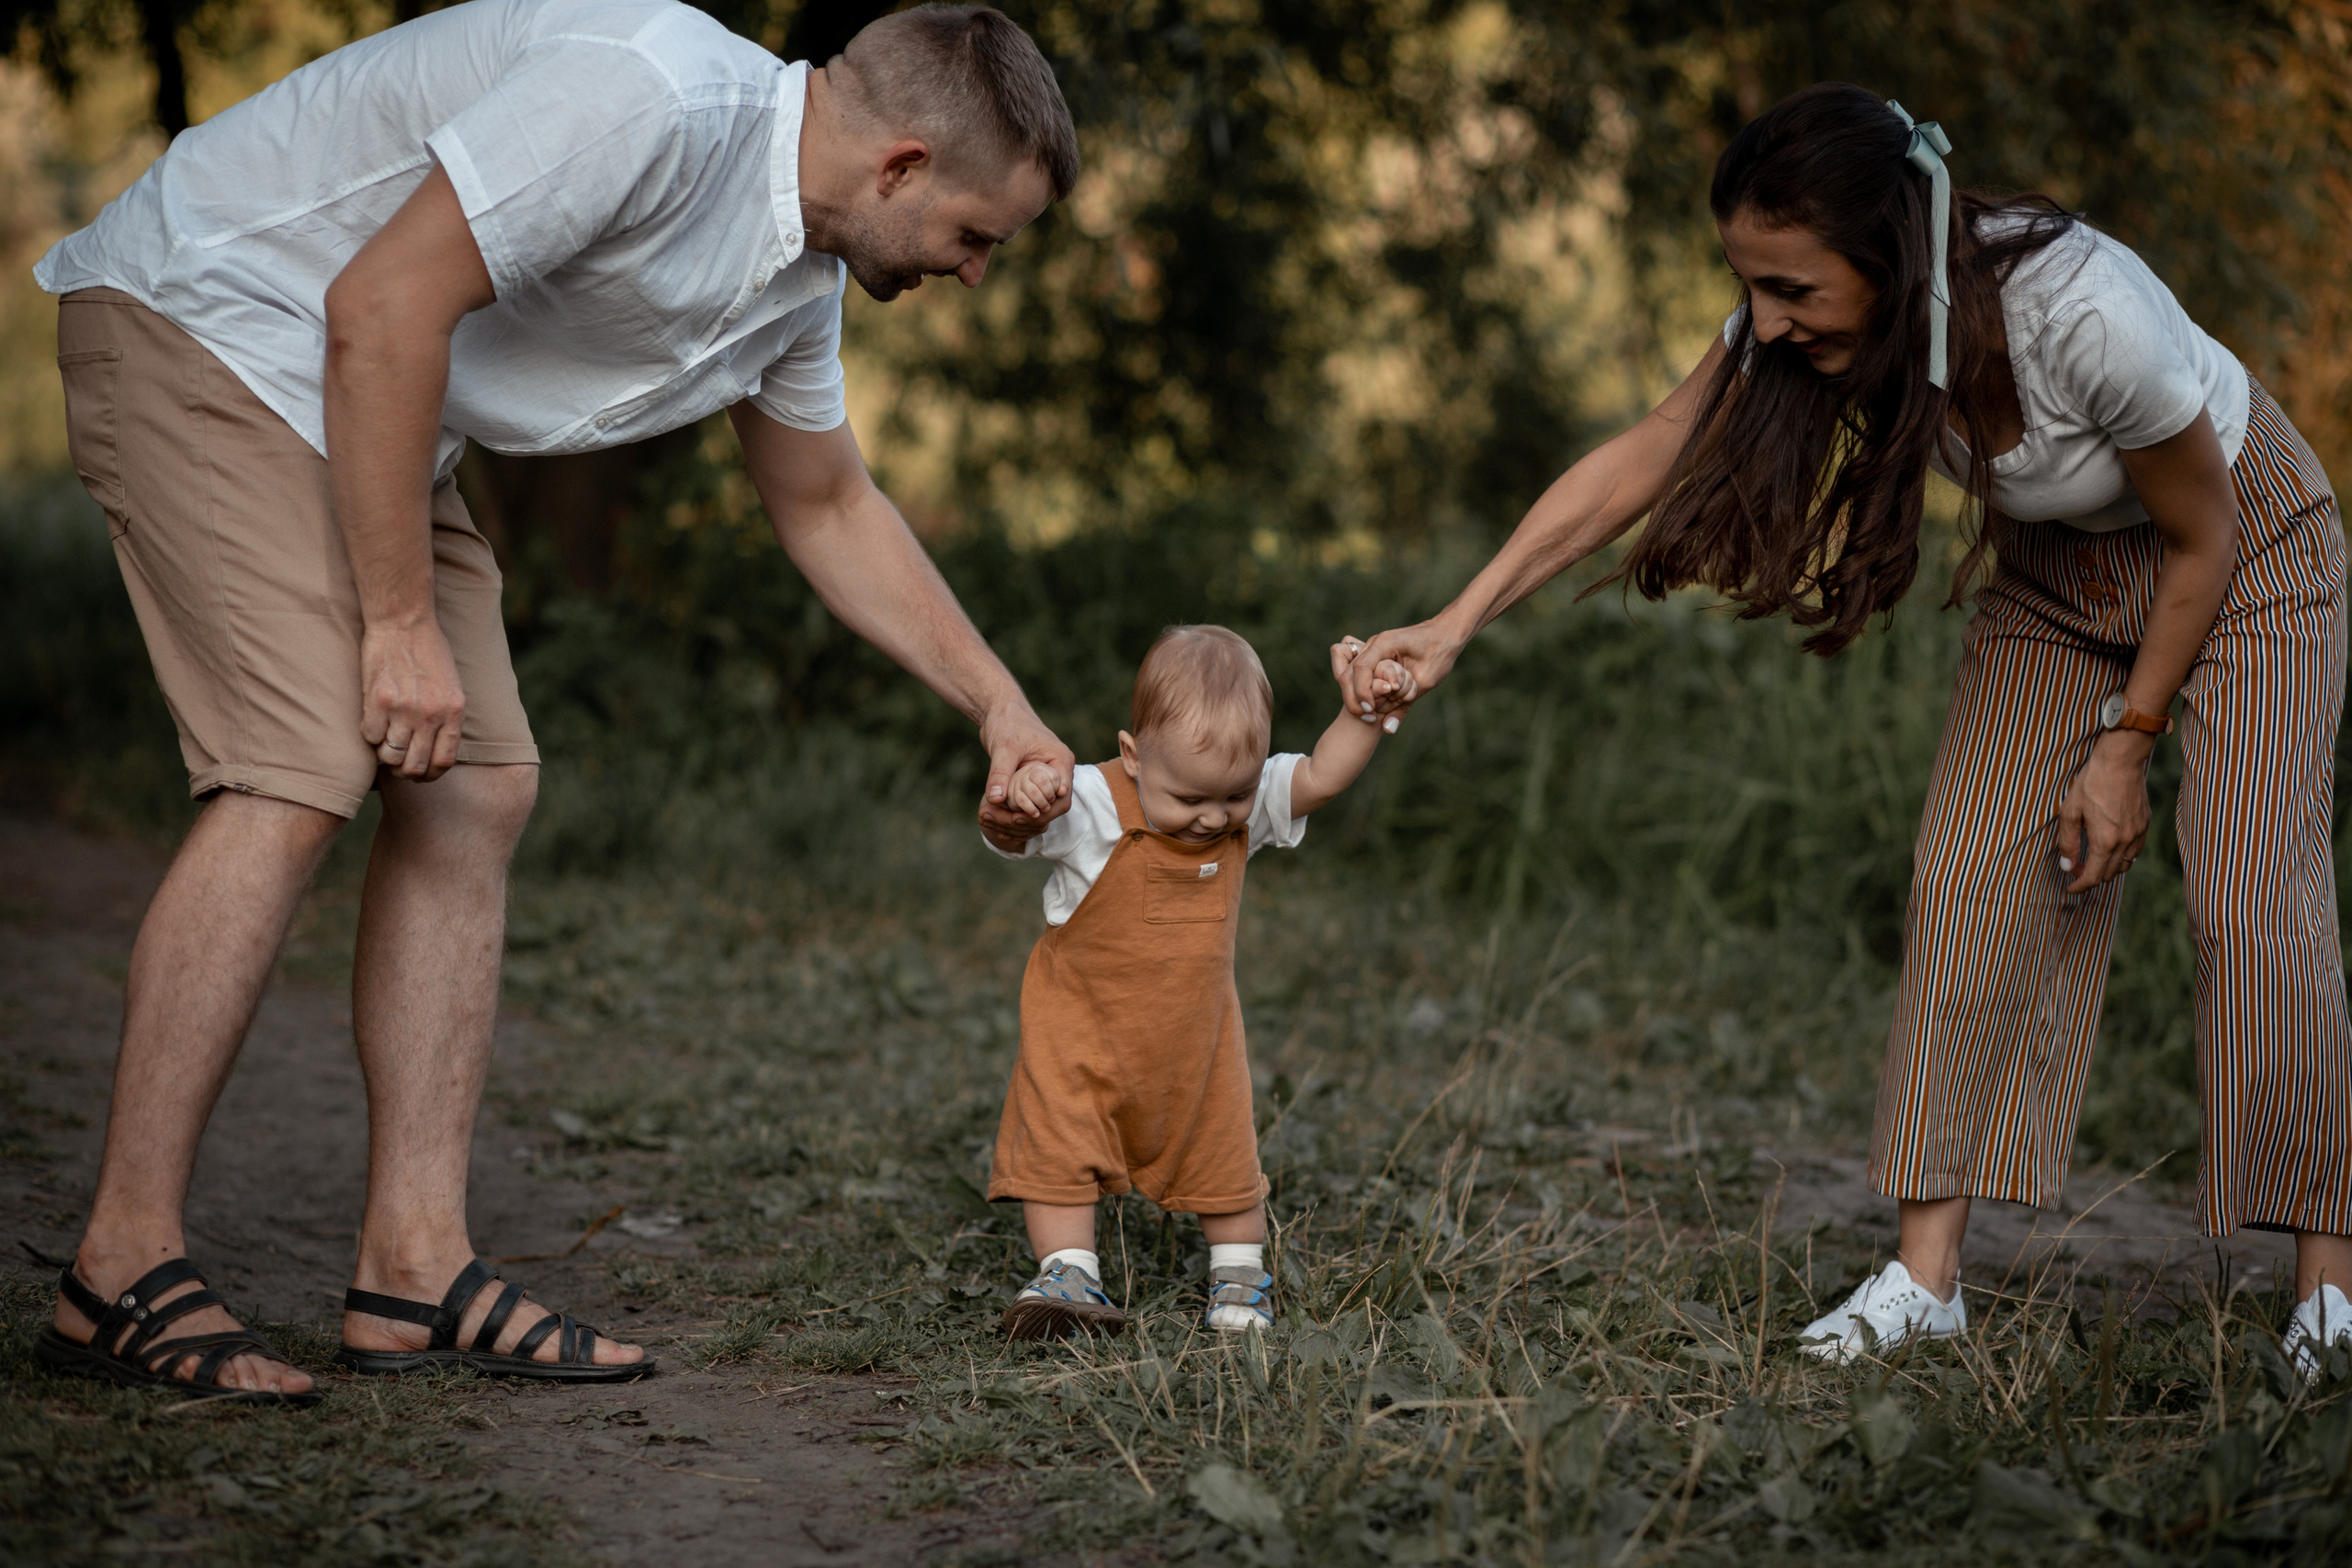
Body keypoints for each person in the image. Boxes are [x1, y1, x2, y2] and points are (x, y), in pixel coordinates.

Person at [31, 0, 1080, 1403]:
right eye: (975, 236)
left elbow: (830, 506)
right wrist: (398, 620)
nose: (971, 272)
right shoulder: (649, 100)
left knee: (476, 784)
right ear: (899, 166)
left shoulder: (793, 285)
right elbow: (381, 303)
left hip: (360, 394)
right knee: (294, 768)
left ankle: (411, 1262)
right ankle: (119, 1264)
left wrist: (1000, 706)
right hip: (211, 320)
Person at [1346, 83, 2352, 1374]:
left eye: (1794, 290)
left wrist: (2125, 743)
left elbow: (2203, 537)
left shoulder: (2087, 315)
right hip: (2061, 572)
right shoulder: (1829, 325)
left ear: (1894, 254)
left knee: (2250, 898)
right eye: (1750, 285)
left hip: (2248, 550)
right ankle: (1925, 1279)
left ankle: (2328, 1284)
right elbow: (1652, 447)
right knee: (1967, 875)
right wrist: (1454, 619)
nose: (1765, 320)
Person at [978, 627, 1407, 1337]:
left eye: (1236, 797)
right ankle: (1068, 1270)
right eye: (1189, 798)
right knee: (1056, 1150)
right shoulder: (1086, 801)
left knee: (1227, 1158)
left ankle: (1240, 1276)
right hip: (1080, 1038)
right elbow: (1012, 834)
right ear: (1133, 755)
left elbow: (1322, 777)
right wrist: (1023, 799)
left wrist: (1361, 714)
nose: (1214, 817)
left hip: (1196, 1044)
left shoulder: (1238, 801)